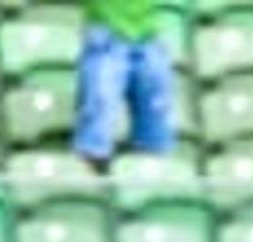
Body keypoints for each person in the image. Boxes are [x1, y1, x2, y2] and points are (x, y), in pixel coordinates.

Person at [72, 0, 178, 174]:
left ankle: (147, 188)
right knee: (98, 116)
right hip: (108, 35)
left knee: (155, 127)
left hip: (148, 35)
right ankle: (89, 186)